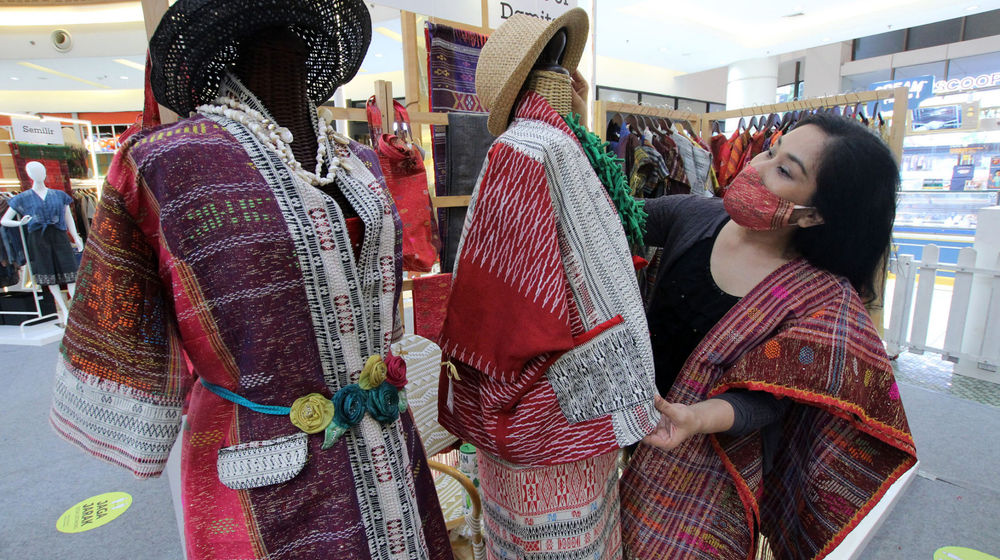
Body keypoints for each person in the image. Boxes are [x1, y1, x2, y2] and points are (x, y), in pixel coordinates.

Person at [48, 1, 451, 558]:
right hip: (267, 475)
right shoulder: (167, 162)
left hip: (388, 449)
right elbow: (120, 315)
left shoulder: (357, 160)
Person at [618, 113, 918, 559]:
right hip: (626, 433)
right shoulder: (697, 217)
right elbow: (609, 214)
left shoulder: (817, 300)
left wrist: (695, 417)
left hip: (712, 473)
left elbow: (768, 398)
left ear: (815, 214)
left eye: (783, 170)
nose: (755, 167)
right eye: (770, 151)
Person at [437, 10, 658, 560]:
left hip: (562, 414)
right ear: (553, 73)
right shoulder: (541, 149)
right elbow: (507, 306)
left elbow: (504, 310)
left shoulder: (543, 145)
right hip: (566, 415)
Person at [0, 160, 83, 324]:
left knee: (71, 275)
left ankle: (73, 310)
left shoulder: (59, 195)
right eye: (35, 171)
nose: (40, 174)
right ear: (30, 175)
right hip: (38, 239)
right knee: (49, 277)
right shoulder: (22, 198)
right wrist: (20, 223)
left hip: (60, 237)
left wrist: (76, 237)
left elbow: (68, 219)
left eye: (42, 170)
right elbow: (4, 221)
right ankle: (64, 311)